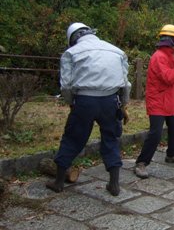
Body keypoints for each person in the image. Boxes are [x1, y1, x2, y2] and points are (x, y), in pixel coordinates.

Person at [46, 22, 131, 196]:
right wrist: (123, 104)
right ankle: (114, 184)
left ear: (73, 38)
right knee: (111, 138)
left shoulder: (71, 53)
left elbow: (66, 86)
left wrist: (71, 103)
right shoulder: (116, 51)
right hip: (110, 100)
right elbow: (125, 84)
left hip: (84, 100)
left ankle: (59, 182)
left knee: (72, 137)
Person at [134, 24, 174, 179]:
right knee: (155, 133)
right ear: (172, 40)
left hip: (169, 100)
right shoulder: (159, 56)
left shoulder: (170, 56)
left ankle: (172, 154)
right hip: (157, 100)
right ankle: (141, 163)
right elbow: (167, 77)